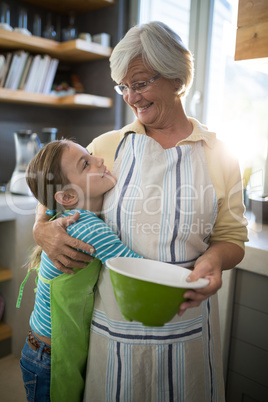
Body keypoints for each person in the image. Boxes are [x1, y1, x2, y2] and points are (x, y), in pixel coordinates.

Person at [33, 21, 248, 401]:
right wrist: (41, 230)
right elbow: (54, 184)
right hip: (112, 334)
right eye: (124, 86)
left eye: (142, 82)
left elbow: (232, 238)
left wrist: (214, 258)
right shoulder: (108, 146)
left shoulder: (220, 155)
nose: (131, 96)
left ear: (177, 77)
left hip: (186, 331)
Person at [18, 139, 143, 402]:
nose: (100, 161)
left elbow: (47, 198)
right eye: (86, 164)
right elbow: (135, 268)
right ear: (68, 197)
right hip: (50, 357)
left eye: (92, 155)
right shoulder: (88, 227)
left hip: (40, 348)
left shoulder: (62, 212)